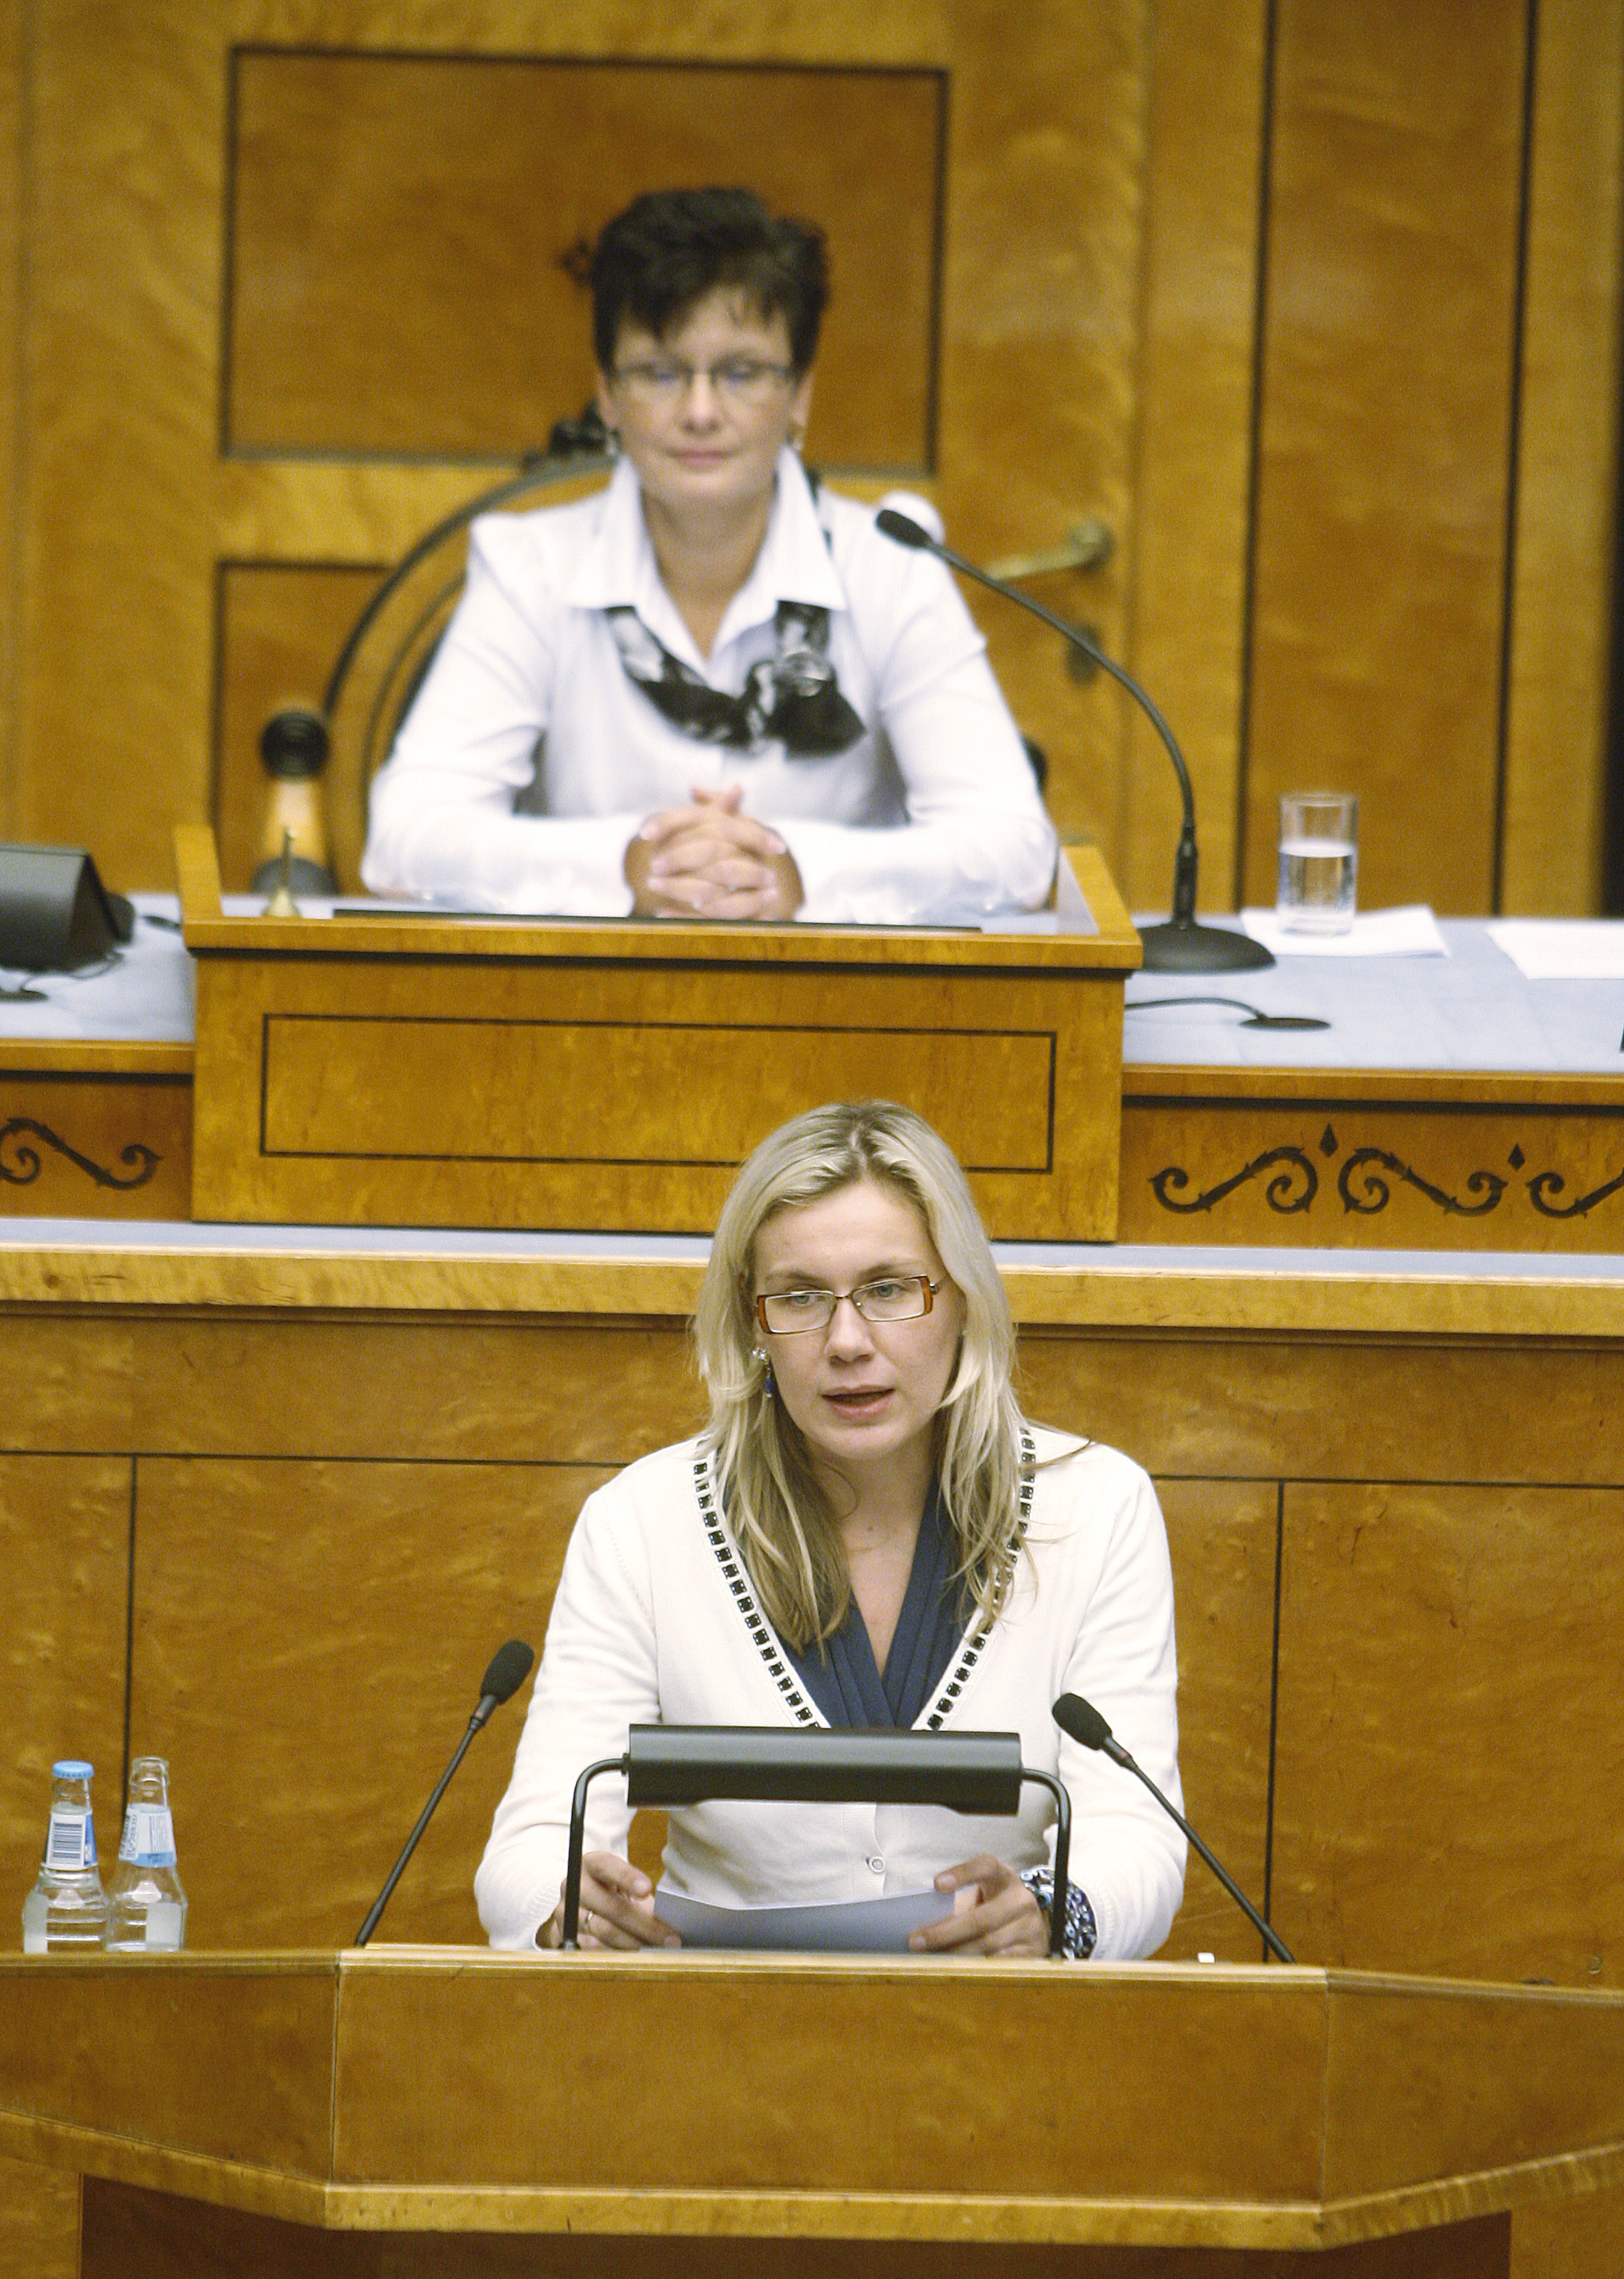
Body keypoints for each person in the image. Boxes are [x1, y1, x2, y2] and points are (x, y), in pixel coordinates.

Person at [475, 1101, 1186, 1960]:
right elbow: (532, 1845)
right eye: (800, 1297)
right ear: (754, 1322)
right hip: (715, 2023)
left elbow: (1137, 1839)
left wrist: (1050, 1914)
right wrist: (565, 1903)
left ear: (962, 1298)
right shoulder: (643, 1520)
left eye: (889, 1290)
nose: (846, 1341)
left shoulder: (1096, 1509)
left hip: (994, 2020)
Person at [361, 188, 1057, 926]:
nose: (699, 412)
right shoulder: (531, 569)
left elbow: (1015, 850)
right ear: (607, 396)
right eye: (660, 373)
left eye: (742, 372)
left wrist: (799, 872)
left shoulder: (890, 565)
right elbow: (404, 841)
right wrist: (626, 865)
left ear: (800, 395)